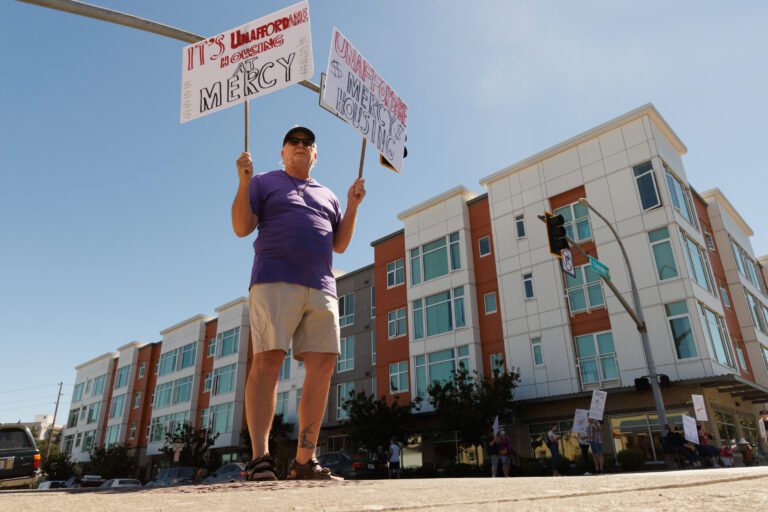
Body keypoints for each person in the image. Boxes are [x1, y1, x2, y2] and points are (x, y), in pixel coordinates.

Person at [232, 126, 366, 481]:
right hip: (274, 279)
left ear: (316, 155)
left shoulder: (329, 195)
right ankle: (260, 458)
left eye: (308, 143)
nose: (301, 146)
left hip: (321, 286)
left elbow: (339, 245)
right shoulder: (263, 181)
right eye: (294, 141)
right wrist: (244, 181)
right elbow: (241, 227)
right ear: (283, 151)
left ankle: (304, 461)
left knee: (322, 365)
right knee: (269, 359)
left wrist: (352, 206)